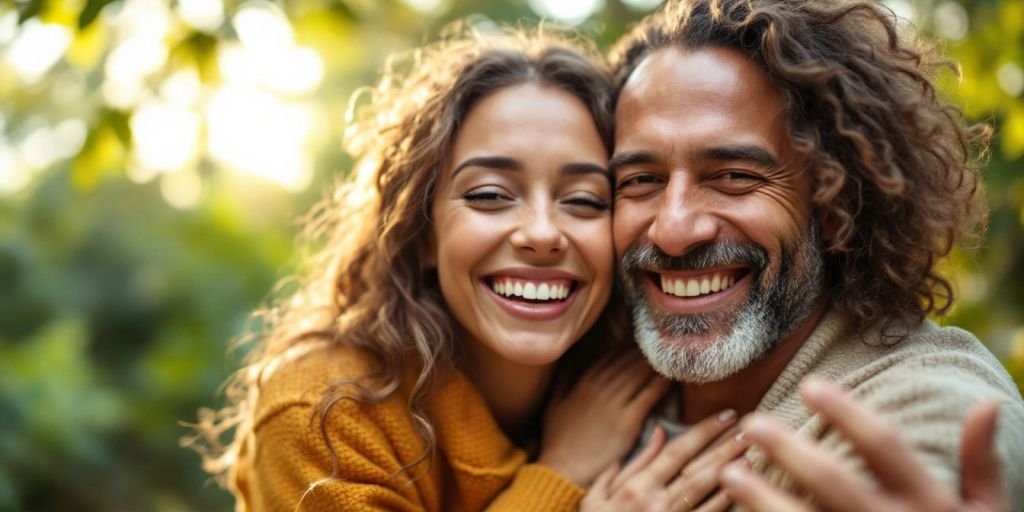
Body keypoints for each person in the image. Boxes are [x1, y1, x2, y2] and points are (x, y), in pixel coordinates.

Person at [187, 26, 681, 511]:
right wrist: (561, 475)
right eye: (489, 195)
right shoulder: (321, 409)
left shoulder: (641, 377)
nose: (542, 233)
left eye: (584, 200)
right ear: (421, 232)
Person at [581, 0, 1024, 508]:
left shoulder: (920, 399)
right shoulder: (574, 382)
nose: (674, 230)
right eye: (640, 181)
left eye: (734, 177)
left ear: (837, 200)